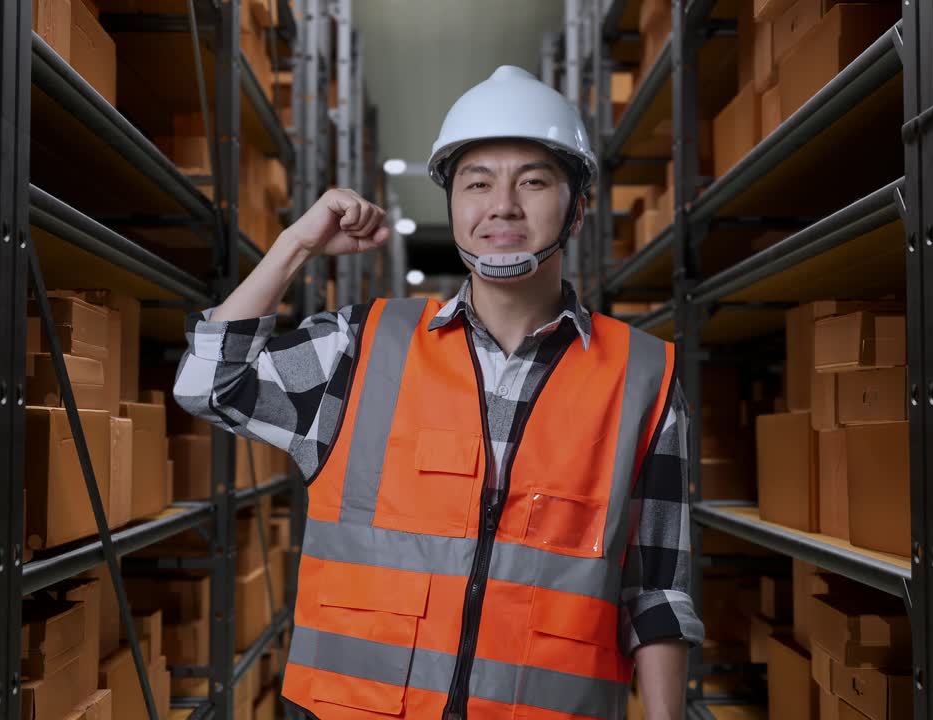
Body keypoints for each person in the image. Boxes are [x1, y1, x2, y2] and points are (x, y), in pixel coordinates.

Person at [174, 65, 702, 720]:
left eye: (533, 182)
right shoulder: (360, 347)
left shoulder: (643, 377)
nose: (503, 205)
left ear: (578, 208)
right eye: (478, 183)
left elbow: (656, 594)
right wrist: (295, 247)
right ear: (452, 205)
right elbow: (207, 383)